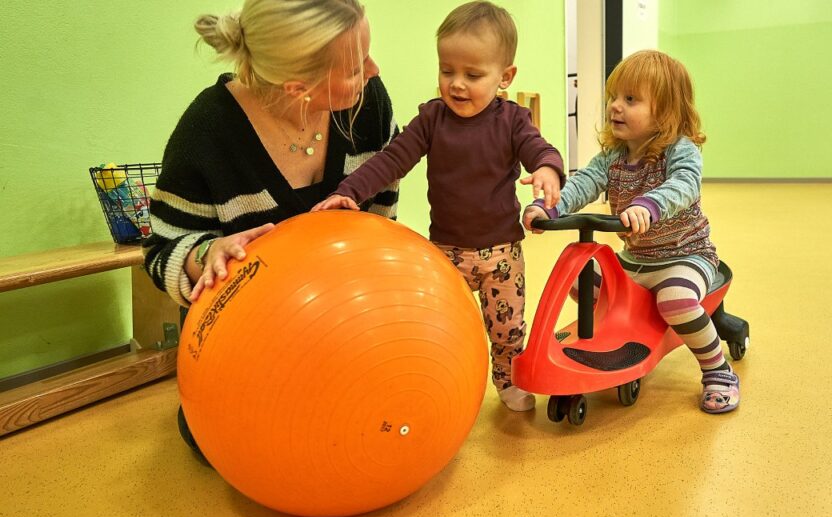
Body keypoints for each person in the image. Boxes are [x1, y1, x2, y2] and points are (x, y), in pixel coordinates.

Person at [143, 0, 400, 458]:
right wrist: (206, 254)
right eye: (357, 65)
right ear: (298, 87)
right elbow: (161, 247)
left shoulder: (369, 105)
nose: (375, 70)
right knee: (239, 445)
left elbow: (381, 219)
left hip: (344, 324)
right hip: (250, 340)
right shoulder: (208, 131)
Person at [312, 1, 565, 412]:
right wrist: (350, 191)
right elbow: (391, 159)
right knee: (439, 328)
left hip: (501, 253)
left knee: (506, 331)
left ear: (505, 77)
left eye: (473, 74)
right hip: (444, 253)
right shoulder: (433, 120)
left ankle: (508, 381)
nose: (457, 84)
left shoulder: (513, 121)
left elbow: (541, 149)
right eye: (447, 71)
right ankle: (438, 386)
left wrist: (548, 170)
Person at [522, 50, 741, 414]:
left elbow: (685, 185)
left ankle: (717, 369)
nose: (615, 107)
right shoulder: (613, 156)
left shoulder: (679, 151)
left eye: (630, 99)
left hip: (685, 255)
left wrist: (649, 205)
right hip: (635, 259)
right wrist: (550, 207)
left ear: (666, 112)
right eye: (613, 97)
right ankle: (626, 330)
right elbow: (585, 183)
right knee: (578, 280)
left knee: (675, 300)